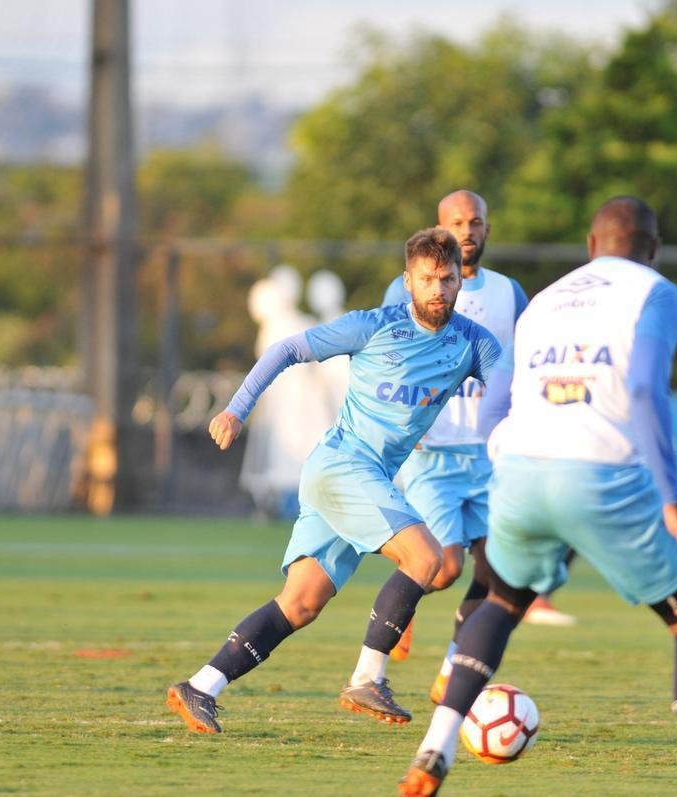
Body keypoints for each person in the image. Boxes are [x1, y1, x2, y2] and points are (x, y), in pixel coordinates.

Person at [399, 197, 677, 797]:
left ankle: (435, 746)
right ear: (651, 250)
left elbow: (496, 405)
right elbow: (648, 391)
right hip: (600, 473)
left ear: (590, 246)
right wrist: (674, 505)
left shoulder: (544, 299)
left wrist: (511, 467)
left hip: (520, 471)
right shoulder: (656, 292)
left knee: (502, 599)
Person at [166, 227, 501, 733]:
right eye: (428, 278)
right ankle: (368, 677)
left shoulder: (474, 344)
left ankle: (201, 686)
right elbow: (285, 350)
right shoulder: (372, 326)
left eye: (448, 279)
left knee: (300, 604)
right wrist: (237, 410)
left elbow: (512, 395)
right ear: (407, 280)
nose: (438, 288)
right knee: (428, 559)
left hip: (359, 479)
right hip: (343, 466)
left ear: (460, 282)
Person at [376, 190, 526, 699]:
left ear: (487, 227)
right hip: (432, 451)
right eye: (456, 222)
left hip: (490, 454)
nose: (467, 230)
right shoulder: (409, 292)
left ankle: (451, 670)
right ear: (439, 228)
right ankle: (404, 593)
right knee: (445, 568)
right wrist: (400, 425)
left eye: (476, 221)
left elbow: (523, 365)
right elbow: (383, 360)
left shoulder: (509, 292)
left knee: (500, 571)